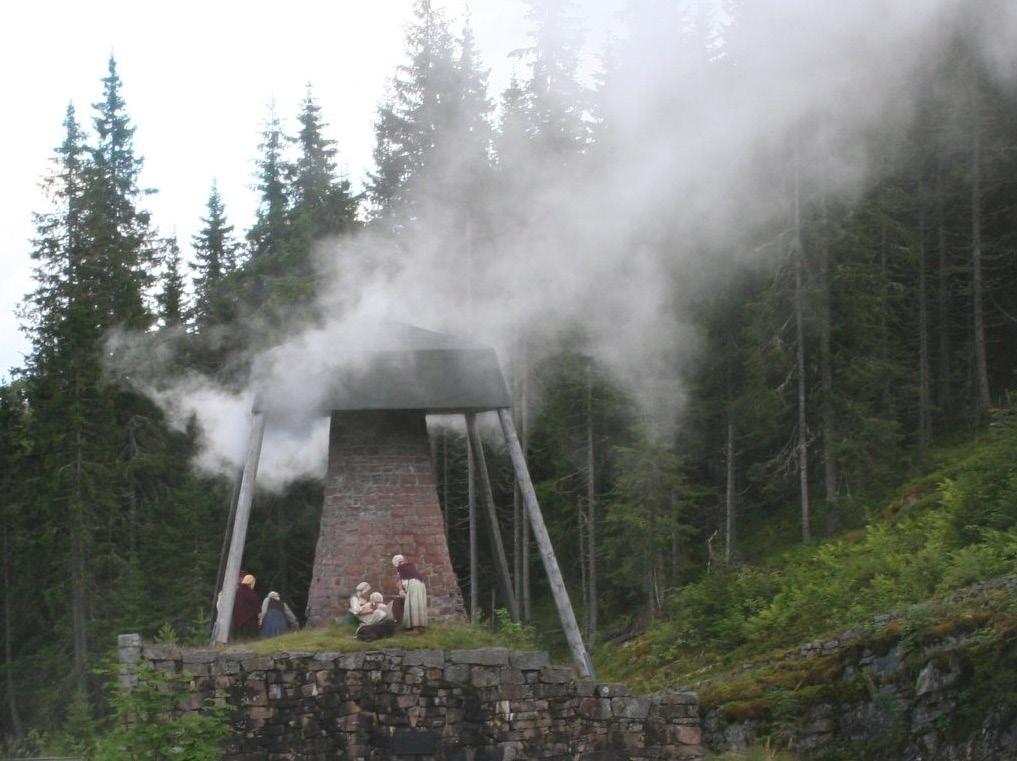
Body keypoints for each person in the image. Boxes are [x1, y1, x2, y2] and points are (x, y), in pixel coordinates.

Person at [392, 554, 428, 631]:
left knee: (413, 605)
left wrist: (401, 590)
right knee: (419, 605)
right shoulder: (410, 566)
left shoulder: (401, 567)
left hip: (413, 586)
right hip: (420, 584)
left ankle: (415, 629)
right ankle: (421, 626)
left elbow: (398, 581)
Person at [233, 574, 261, 640]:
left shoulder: (237, 592)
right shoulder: (251, 593)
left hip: (238, 620)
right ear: (251, 582)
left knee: (241, 640)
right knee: (251, 640)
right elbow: (257, 607)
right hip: (250, 620)